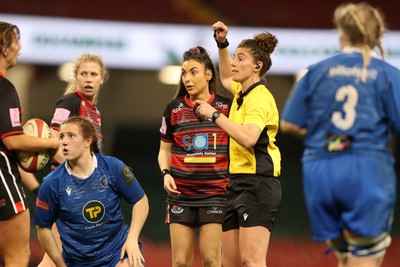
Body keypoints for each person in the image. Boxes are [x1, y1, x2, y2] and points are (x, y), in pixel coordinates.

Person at [280, 2, 397, 267]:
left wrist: (336, 142)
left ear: (342, 33)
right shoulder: (386, 73)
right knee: (365, 254)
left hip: (320, 170)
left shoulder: (316, 71)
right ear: (374, 34)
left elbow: (288, 123)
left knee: (344, 256)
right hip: (365, 169)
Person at [195, 22, 282, 267]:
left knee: (251, 261)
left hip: (258, 183)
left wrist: (214, 114)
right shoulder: (243, 92)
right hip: (236, 182)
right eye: (234, 57)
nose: (233, 62)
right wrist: (222, 44)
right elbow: (224, 77)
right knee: (229, 263)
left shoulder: (260, 98)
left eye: (239, 58)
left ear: (258, 66)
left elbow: (248, 138)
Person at [33, 117, 149, 267]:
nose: (64, 142)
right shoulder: (51, 183)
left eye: (71, 136)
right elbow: (43, 227)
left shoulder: (113, 167)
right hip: (77, 262)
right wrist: (60, 264)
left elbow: (141, 201)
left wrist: (132, 238)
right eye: (61, 136)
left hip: (116, 253)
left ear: (88, 141)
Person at [158, 46, 231, 267]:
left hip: (216, 194)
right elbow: (164, 150)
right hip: (180, 195)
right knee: (180, 263)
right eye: (184, 73)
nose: (187, 78)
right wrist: (165, 173)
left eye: (193, 72)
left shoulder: (226, 108)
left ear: (209, 75)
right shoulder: (173, 108)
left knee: (210, 261)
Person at [38, 53, 109, 267]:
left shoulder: (94, 110)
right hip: (67, 186)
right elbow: (53, 138)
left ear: (101, 79)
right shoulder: (70, 101)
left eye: (93, 74)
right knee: (55, 256)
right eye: (83, 74)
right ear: (76, 77)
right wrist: (80, 178)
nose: (88, 79)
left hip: (83, 187)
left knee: (61, 256)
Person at [0, 21, 59, 267]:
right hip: (2, 175)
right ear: (4, 48)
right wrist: (51, 141)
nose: (20, 49)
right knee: (17, 256)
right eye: (17, 43)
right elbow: (12, 140)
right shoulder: (4, 88)